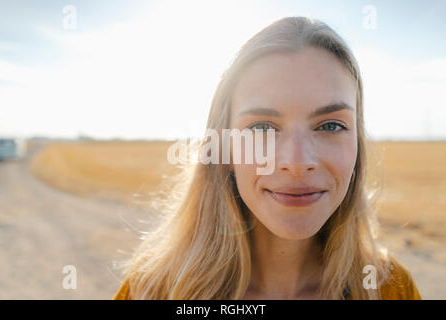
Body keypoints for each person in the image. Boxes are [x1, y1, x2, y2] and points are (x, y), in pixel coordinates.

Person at [113, 16, 422, 300]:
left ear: (357, 144)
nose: (297, 162)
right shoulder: (153, 290)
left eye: (331, 125)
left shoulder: (389, 289)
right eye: (262, 127)